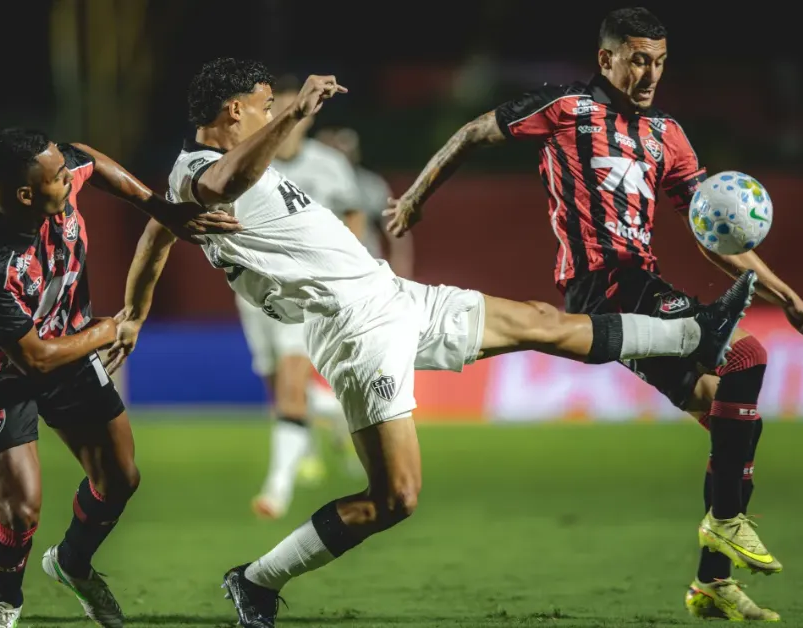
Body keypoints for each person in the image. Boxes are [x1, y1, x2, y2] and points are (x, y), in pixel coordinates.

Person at [109, 57, 756, 628]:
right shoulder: (199, 171)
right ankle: (256, 580)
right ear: (234, 111)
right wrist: (296, 112)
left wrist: (134, 313)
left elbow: (156, 234)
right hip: (353, 330)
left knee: (541, 321)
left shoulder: (213, 179)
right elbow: (218, 188)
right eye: (264, 107)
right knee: (395, 498)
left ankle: (697, 330)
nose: (274, 115)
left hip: (390, 295)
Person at [385, 8, 803, 621]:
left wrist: (789, 299)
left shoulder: (668, 135)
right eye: (638, 59)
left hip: (639, 285)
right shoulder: (565, 108)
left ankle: (712, 583)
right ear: (607, 59)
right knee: (746, 355)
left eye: (659, 61)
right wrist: (414, 198)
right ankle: (727, 522)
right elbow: (473, 132)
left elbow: (712, 232)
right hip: (603, 284)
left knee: (732, 419)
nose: (650, 73)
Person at [0, 128, 239, 628]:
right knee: (21, 512)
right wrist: (107, 330)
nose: (71, 178)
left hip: (70, 344)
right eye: (59, 177)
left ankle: (73, 563)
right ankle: (5, 601)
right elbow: (35, 359)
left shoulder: (54, 178)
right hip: (1, 374)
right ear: (26, 194)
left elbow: (90, 160)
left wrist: (162, 209)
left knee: (120, 479)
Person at [241, 74, 359, 520]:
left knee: (291, 385)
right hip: (253, 290)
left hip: (305, 290)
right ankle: (335, 411)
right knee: (278, 388)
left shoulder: (329, 165)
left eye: (297, 107)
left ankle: (276, 490)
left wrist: (345, 270)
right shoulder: (250, 160)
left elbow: (353, 216)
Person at [315, 126, 414, 279]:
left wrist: (400, 269)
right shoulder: (306, 183)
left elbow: (396, 231)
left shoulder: (371, 185)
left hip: (365, 266)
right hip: (321, 266)